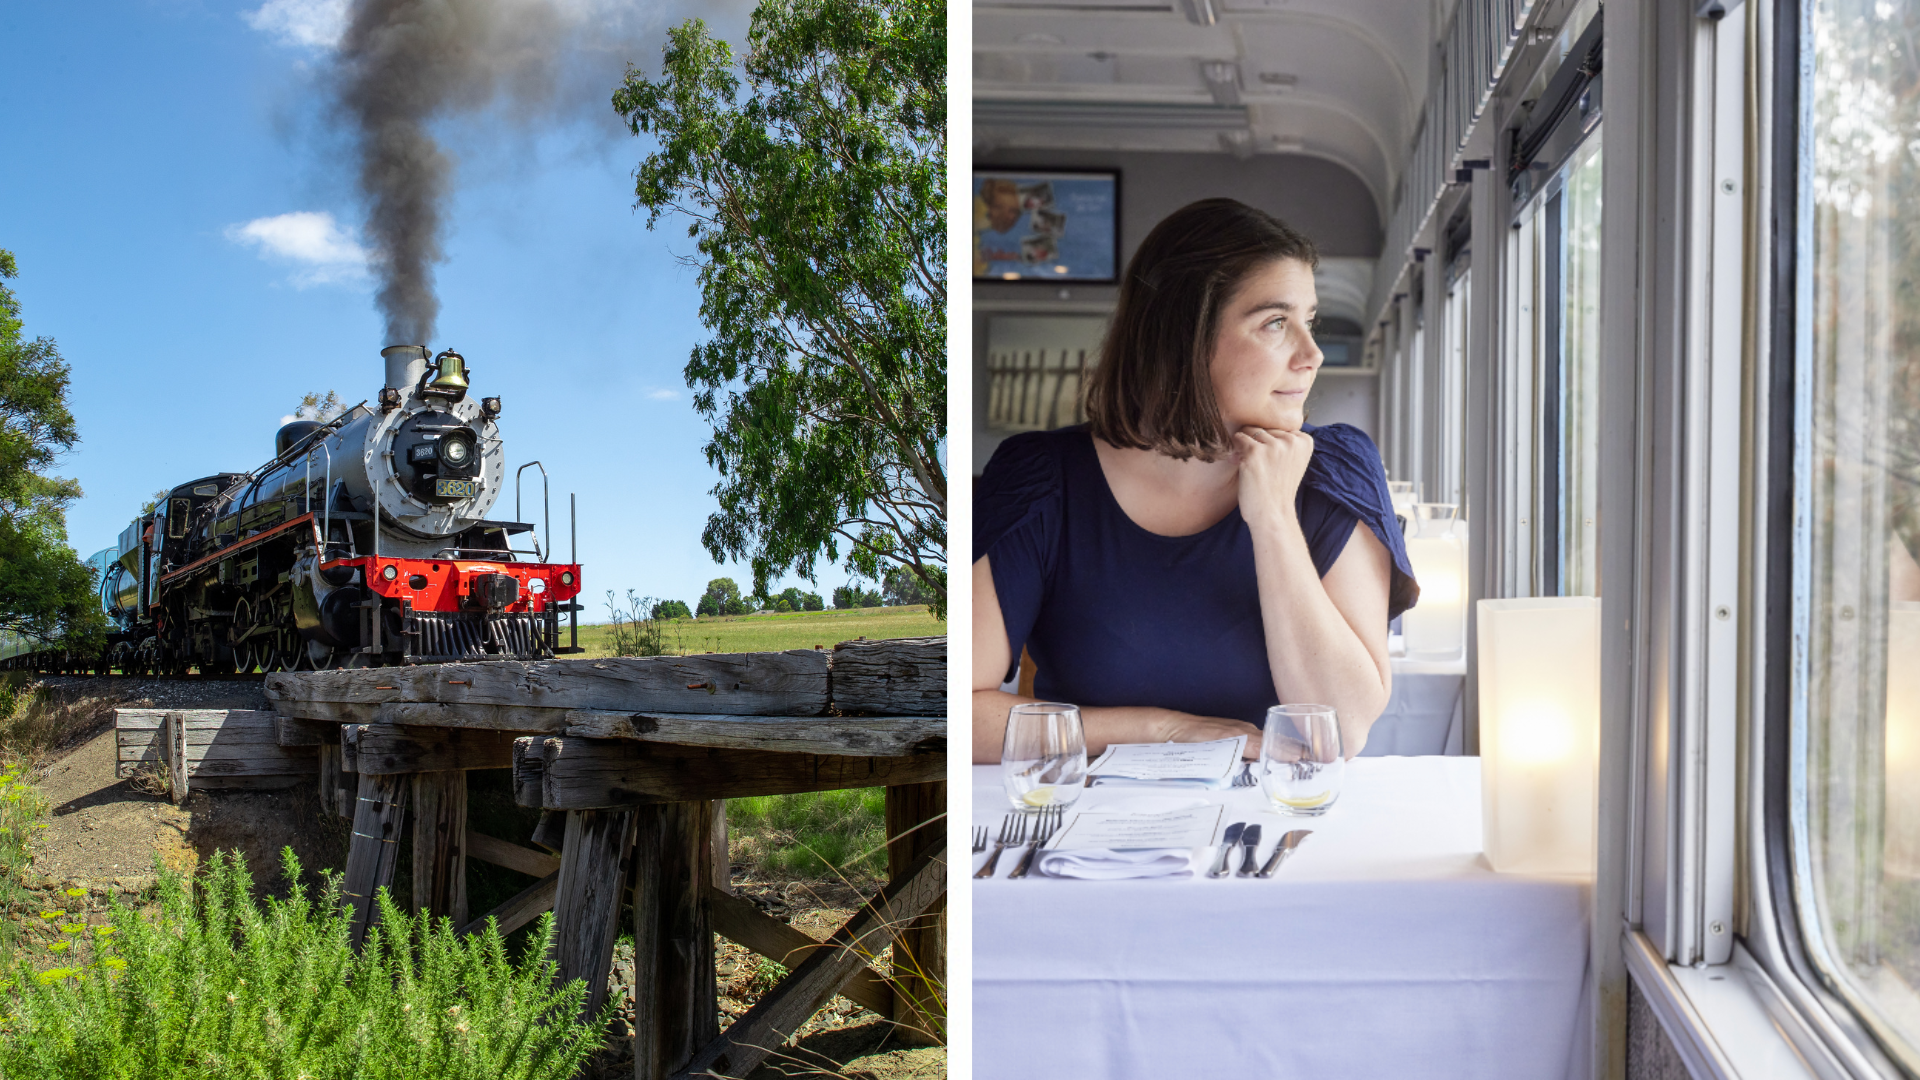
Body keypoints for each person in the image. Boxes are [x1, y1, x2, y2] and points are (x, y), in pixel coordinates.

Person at [971, 198, 1420, 764]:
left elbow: (1343, 729)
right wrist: (1161, 730)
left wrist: (1275, 518)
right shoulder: (1039, 478)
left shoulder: (1336, 473)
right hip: (1085, 833)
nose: (1313, 354)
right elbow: (961, 713)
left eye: (1310, 322)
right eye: (1276, 324)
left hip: (1277, 820)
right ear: (1185, 337)